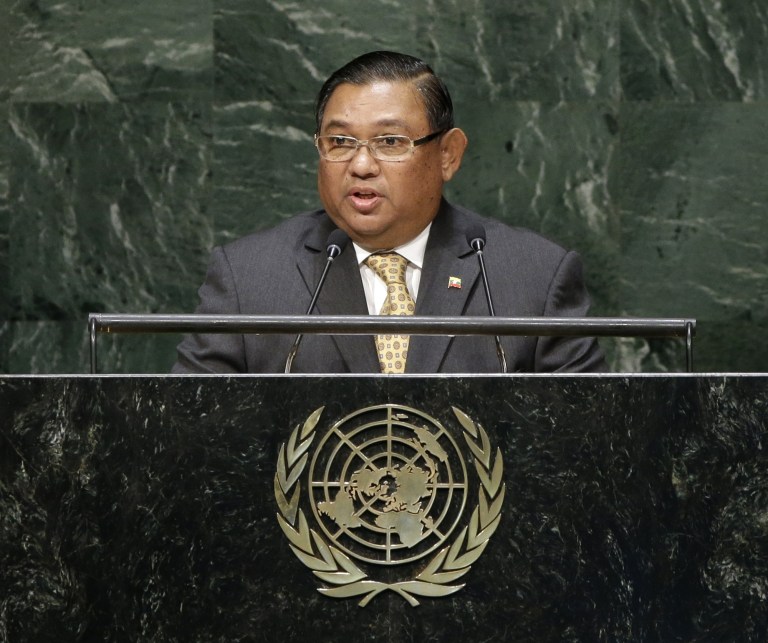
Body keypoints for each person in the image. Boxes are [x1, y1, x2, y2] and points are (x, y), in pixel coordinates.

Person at [173, 51, 606, 374]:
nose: (361, 165)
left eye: (390, 142)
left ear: (448, 155)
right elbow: (190, 432)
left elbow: (586, 445)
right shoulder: (249, 279)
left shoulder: (532, 276)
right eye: (340, 142)